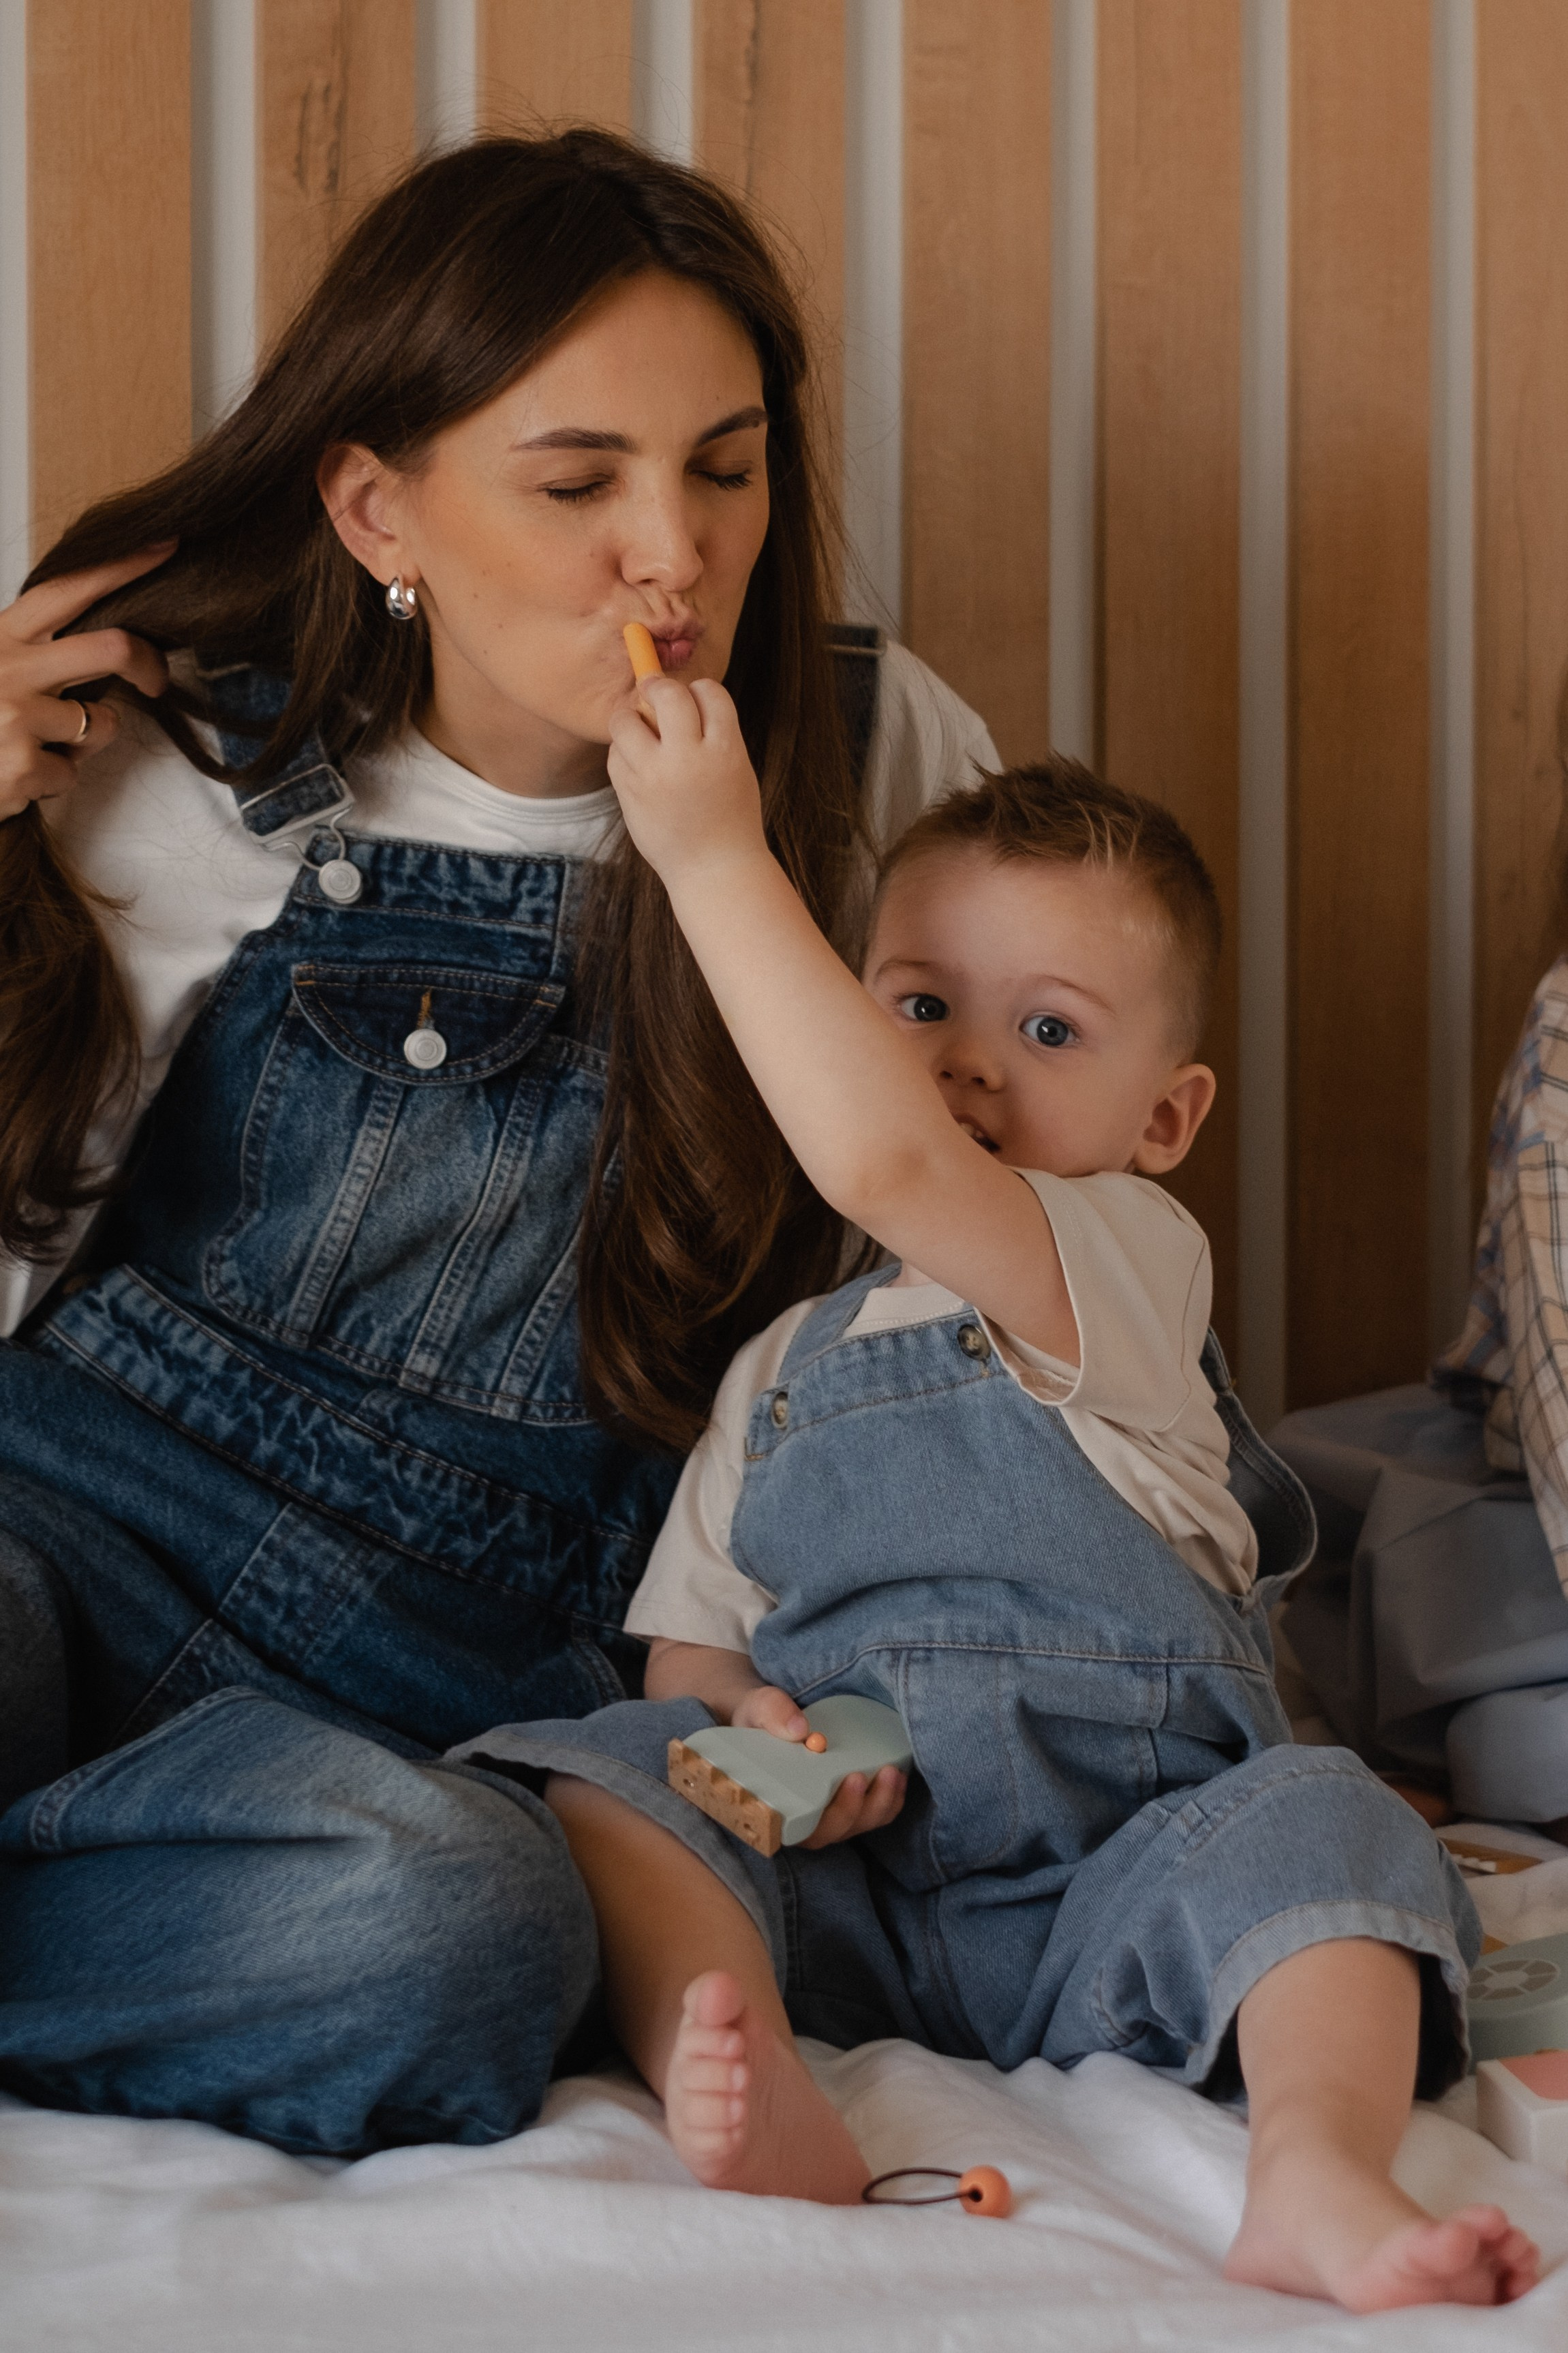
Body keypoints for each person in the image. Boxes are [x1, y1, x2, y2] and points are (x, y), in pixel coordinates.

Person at [0, 130, 997, 2154]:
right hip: (79, 1526)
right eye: (577, 481)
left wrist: (823, 1659)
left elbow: (973, 1283)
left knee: (462, 1932)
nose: (676, 550)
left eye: (722, 467)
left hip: (460, 1689)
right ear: (381, 504)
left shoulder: (881, 770)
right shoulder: (199, 766)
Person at [459, 702, 1539, 2312]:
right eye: (917, 1003)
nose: (964, 1058)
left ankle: (1315, 2163)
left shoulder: (1116, 1255)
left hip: (1127, 1884)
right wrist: (765, 1743)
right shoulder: (778, 1370)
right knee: (610, 1772)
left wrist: (708, 847)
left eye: (1047, 1031)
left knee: (1333, 1824)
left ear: (1162, 1118)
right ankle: (748, 2061)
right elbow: (690, 1648)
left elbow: (889, 1166)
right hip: (859, 1900)